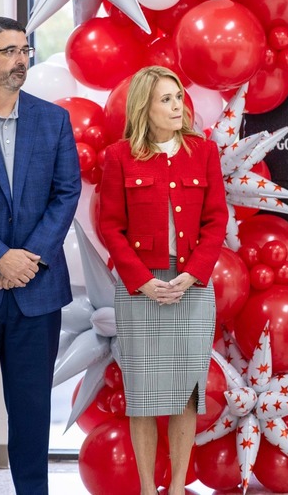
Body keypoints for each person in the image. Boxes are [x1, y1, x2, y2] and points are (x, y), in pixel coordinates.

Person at [98, 66, 226, 495]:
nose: (177, 106)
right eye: (166, 100)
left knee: (186, 391)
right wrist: (141, 281)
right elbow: (110, 227)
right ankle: (147, 489)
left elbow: (215, 220)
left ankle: (175, 490)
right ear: (144, 108)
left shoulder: (203, 151)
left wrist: (192, 275)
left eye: (178, 97)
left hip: (192, 286)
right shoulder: (119, 156)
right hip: (141, 289)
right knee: (144, 394)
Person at [0, 16, 81, 495]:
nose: (20, 60)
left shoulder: (53, 120)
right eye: (8, 51)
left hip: (37, 290)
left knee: (31, 409)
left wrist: (26, 258)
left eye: (24, 51)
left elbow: (67, 193)